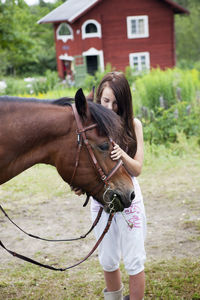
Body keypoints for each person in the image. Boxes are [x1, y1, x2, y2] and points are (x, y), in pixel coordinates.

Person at [73, 72, 146, 300]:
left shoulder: (133, 124)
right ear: (98, 100)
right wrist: (81, 186)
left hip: (129, 201)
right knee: (108, 259)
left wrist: (122, 154)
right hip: (101, 201)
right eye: (105, 101)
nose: (110, 107)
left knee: (134, 261)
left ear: (124, 103)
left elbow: (138, 169)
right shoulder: (94, 127)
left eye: (116, 103)